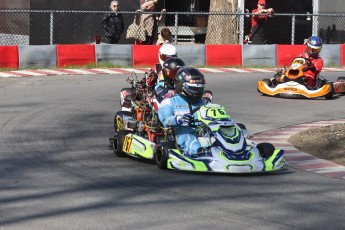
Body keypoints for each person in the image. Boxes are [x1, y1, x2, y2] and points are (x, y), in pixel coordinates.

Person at [158, 67, 209, 157]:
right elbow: (165, 119)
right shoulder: (169, 102)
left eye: (199, 89)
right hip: (182, 132)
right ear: (182, 86)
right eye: (194, 88)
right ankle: (200, 153)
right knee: (189, 137)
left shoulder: (204, 102)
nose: (197, 92)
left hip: (204, 131)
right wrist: (179, 119)